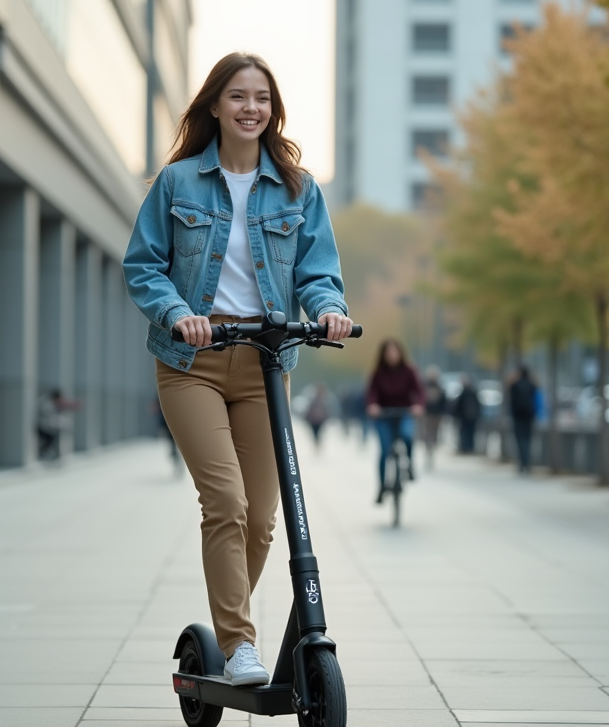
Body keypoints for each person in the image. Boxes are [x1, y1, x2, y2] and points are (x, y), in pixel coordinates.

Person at [122, 52, 352, 687]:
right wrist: (175, 313)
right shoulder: (178, 183)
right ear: (215, 106)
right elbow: (142, 265)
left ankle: (229, 625)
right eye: (238, 97)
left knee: (261, 517)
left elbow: (318, 272)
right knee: (224, 501)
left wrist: (329, 311)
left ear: (272, 110)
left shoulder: (298, 189)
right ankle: (239, 642)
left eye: (263, 98)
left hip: (266, 364)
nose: (252, 108)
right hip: (192, 362)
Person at [365, 339, 425, 503]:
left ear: (400, 353)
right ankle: (382, 486)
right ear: (383, 355)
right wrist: (373, 405)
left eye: (394, 352)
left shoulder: (409, 371)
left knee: (407, 435)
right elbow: (372, 393)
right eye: (388, 352)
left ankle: (410, 464)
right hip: (383, 415)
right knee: (385, 451)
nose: (391, 355)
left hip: (404, 412)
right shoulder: (378, 373)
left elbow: (419, 391)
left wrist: (418, 406)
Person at [508, 366, 538, 474]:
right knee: (528, 440)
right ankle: (527, 463)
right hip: (529, 417)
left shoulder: (515, 385)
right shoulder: (532, 385)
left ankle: (522, 463)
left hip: (518, 417)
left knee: (520, 441)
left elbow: (511, 401)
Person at [37, 388, 81, 460]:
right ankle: (43, 453)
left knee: (53, 438)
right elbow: (49, 417)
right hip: (43, 427)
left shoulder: (51, 403)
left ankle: (48, 453)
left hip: (48, 427)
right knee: (50, 439)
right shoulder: (46, 404)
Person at [420, 365, 449, 467]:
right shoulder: (424, 386)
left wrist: (444, 413)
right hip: (427, 414)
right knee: (426, 433)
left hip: (436, 414)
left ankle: (432, 448)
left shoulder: (439, 386)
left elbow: (444, 402)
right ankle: (428, 448)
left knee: (434, 434)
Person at [454, 375, 481, 454]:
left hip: (466, 417)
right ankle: (469, 447)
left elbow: (458, 406)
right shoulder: (473, 392)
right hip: (471, 417)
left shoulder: (464, 393)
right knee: (470, 433)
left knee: (466, 432)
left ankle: (466, 447)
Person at [304, 384, 333, 448]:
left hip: (319, 419)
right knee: (314, 431)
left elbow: (326, 409)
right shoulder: (313, 400)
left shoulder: (323, 400)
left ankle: (317, 441)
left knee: (318, 431)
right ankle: (316, 441)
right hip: (314, 419)